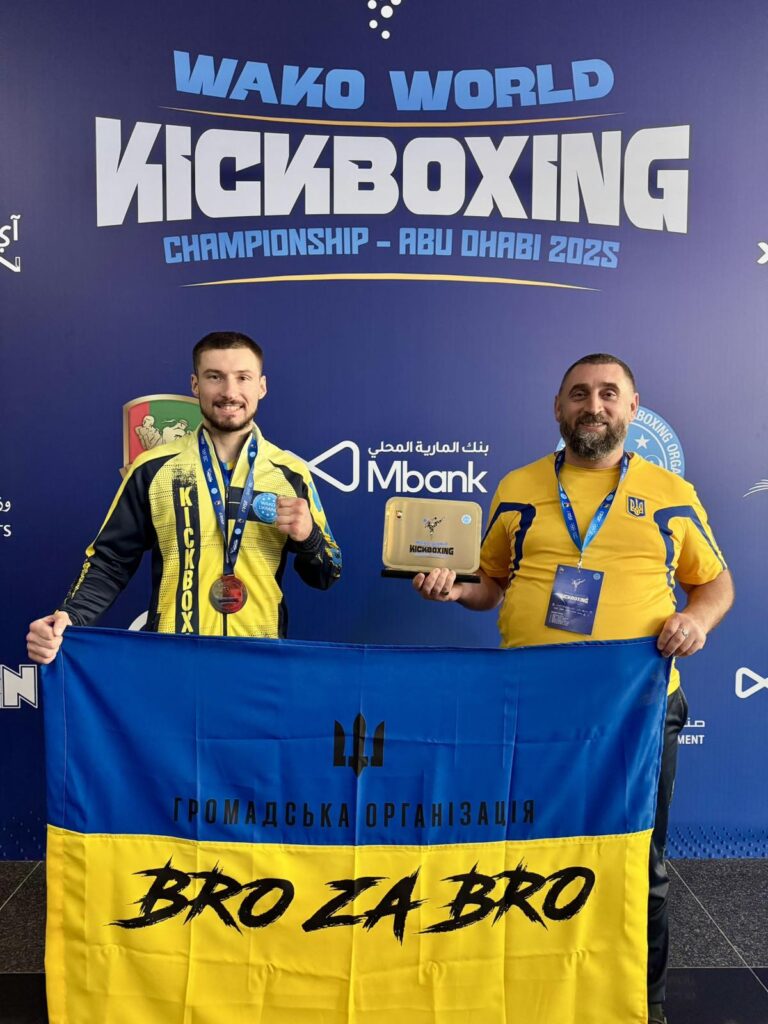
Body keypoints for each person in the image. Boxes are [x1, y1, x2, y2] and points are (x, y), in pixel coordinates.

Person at [413, 353, 733, 1024]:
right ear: (558, 408)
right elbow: (490, 584)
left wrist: (696, 621)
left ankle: (644, 1005)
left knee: (639, 864)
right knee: (528, 857)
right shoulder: (518, 486)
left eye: (609, 393)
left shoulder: (671, 492)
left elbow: (714, 582)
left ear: (632, 408)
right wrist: (457, 590)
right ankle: (529, 998)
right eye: (579, 393)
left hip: (637, 710)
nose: (594, 405)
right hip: (533, 708)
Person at [28, 331, 341, 661]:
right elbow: (111, 562)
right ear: (195, 385)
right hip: (172, 661)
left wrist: (308, 538)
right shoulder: (153, 468)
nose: (229, 391)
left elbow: (327, 574)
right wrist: (70, 618)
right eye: (215, 377)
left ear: (261, 386)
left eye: (243, 377)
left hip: (259, 662)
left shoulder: (290, 474)